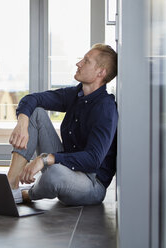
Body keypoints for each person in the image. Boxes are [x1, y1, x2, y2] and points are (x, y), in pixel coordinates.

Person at [7, 43, 118, 206]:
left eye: (86, 61)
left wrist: (45, 159)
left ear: (101, 72)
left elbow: (93, 159)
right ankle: (10, 187)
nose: (78, 63)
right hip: (67, 166)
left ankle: (27, 194)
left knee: (54, 173)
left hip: (91, 182)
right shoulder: (75, 94)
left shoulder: (106, 108)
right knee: (35, 113)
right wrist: (22, 124)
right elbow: (32, 99)